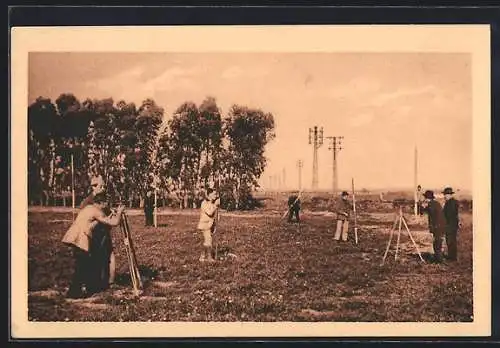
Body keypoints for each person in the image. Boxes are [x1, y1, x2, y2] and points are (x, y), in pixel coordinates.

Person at [62, 192, 125, 298]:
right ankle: (74, 292)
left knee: (85, 264)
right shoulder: (96, 210)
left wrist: (111, 215)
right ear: (102, 203)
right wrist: (119, 212)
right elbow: (114, 223)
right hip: (80, 238)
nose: (107, 205)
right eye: (106, 203)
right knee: (82, 266)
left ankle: (89, 287)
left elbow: (99, 221)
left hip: (76, 236)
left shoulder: (89, 208)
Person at [421, 190, 446, 263]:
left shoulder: (431, 204)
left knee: (437, 244)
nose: (425, 199)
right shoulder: (435, 203)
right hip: (440, 226)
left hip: (438, 227)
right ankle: (438, 259)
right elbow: (430, 211)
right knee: (437, 243)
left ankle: (439, 261)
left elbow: (431, 213)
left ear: (427, 198)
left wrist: (423, 207)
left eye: (425, 198)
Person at [197, 188, 220, 262]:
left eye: (216, 194)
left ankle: (202, 256)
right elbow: (209, 212)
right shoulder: (204, 203)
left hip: (210, 225)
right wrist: (215, 206)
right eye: (214, 194)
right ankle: (209, 258)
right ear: (209, 195)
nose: (215, 196)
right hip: (204, 225)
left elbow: (216, 216)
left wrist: (216, 223)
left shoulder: (212, 203)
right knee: (208, 241)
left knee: (207, 241)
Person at [442, 187, 460, 261]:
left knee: (450, 241)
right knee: (452, 240)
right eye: (445, 194)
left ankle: (452, 257)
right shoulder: (454, 202)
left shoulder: (450, 203)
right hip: (453, 224)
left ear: (450, 195)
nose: (444, 196)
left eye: (445, 195)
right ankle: (452, 256)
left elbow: (449, 214)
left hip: (450, 224)